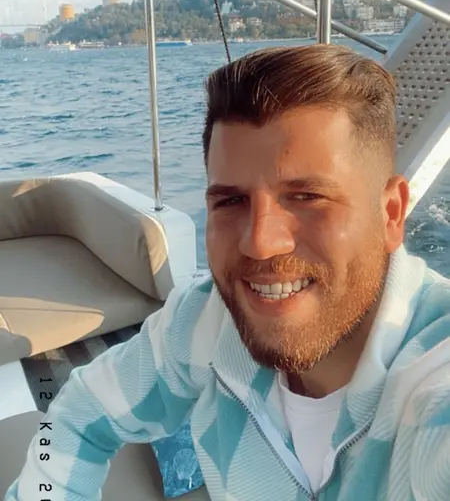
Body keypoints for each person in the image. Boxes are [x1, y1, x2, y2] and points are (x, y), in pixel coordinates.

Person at [5, 44, 450, 501]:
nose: (259, 242)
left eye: (307, 197)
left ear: (391, 213)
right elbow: (79, 411)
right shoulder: (208, 319)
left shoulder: (434, 385)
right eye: (232, 201)